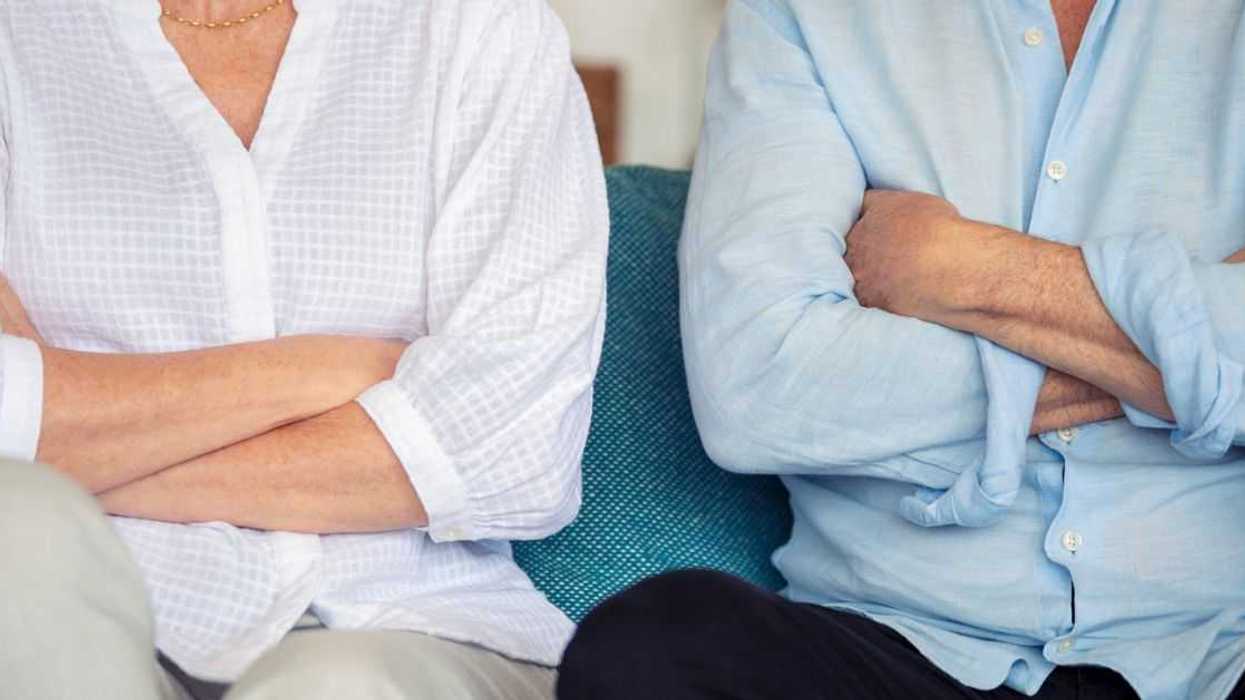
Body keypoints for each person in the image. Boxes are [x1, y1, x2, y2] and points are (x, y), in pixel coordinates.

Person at [558, 1, 1245, 698]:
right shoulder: (802, 14)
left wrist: (958, 269)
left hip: (1222, 646)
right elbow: (756, 387)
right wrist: (1188, 359)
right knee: (657, 650)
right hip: (902, 640)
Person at [0, 0, 607, 698]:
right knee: (19, 524)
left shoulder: (478, 27)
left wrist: (72, 445)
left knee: (335, 687)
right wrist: (324, 372)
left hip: (406, 622)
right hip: (64, 617)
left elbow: (511, 452)